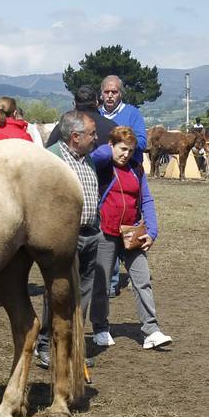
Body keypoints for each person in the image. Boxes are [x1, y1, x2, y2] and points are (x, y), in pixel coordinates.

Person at [90, 126, 171, 350]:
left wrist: (151, 232)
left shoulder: (137, 169)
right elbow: (97, 155)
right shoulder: (102, 166)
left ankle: (151, 330)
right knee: (101, 283)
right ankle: (100, 328)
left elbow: (146, 200)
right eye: (122, 149)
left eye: (130, 150)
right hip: (105, 232)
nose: (126, 154)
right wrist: (108, 149)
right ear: (111, 146)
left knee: (142, 280)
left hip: (131, 233)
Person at [35, 110, 102, 369]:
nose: (96, 138)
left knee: (81, 295)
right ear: (75, 136)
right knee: (57, 291)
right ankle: (46, 345)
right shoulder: (50, 158)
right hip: (62, 237)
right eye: (91, 134)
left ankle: (73, 345)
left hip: (90, 234)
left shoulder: (89, 160)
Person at [98, 75, 147, 163]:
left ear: (121, 94)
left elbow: (142, 142)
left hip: (129, 168)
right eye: (106, 92)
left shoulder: (133, 113)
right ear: (101, 94)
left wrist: (121, 141)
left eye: (114, 92)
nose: (110, 95)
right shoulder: (97, 114)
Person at [46, 85, 113, 149]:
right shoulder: (111, 127)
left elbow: (49, 153)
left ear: (74, 104)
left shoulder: (64, 127)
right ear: (96, 103)